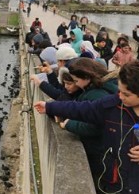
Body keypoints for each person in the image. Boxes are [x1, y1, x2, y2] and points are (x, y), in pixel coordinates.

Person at [34, 60, 139, 194]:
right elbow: (83, 109)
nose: (120, 96)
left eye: (126, 94)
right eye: (120, 91)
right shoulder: (112, 104)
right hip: (115, 181)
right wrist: (50, 108)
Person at [55, 58, 118, 193]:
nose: (77, 85)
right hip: (104, 150)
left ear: (87, 77)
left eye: (76, 81)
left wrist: (69, 124)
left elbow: (94, 126)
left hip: (100, 151)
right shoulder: (100, 89)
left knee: (100, 184)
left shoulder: (97, 94)